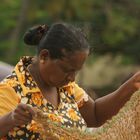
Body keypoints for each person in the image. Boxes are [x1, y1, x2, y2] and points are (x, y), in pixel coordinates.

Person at [0, 23, 139, 139]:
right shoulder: (11, 90)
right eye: (67, 70)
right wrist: (11, 119)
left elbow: (95, 115)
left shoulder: (65, 87)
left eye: (75, 71)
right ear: (44, 56)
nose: (72, 78)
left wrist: (132, 86)